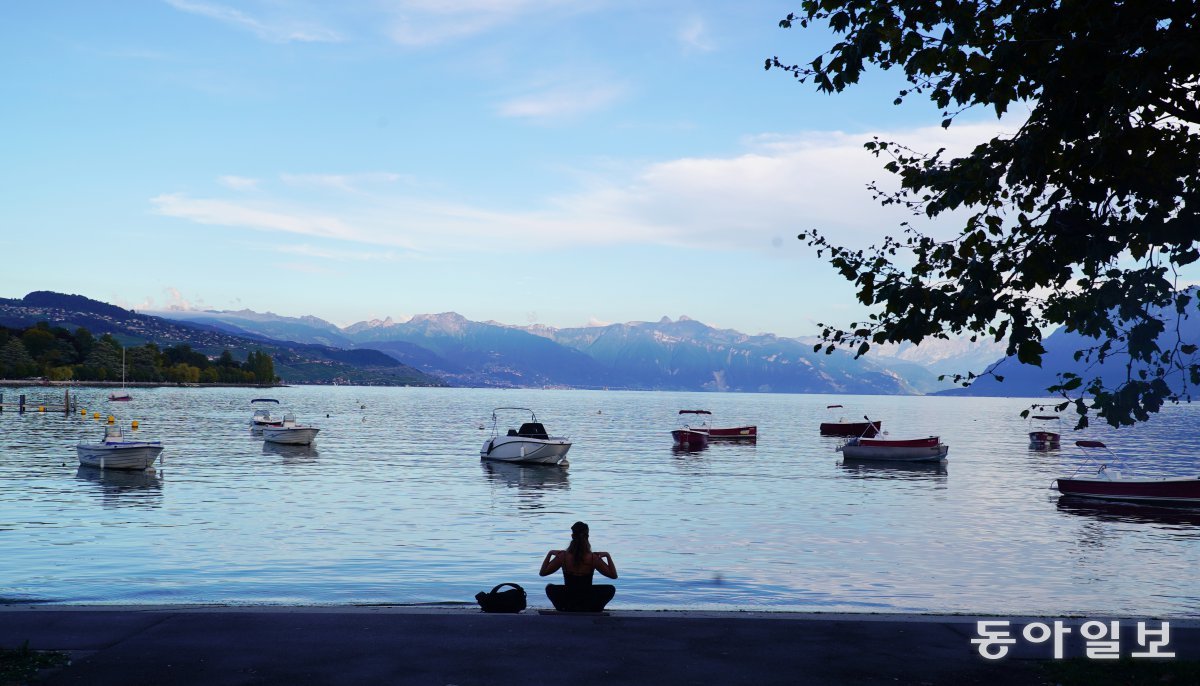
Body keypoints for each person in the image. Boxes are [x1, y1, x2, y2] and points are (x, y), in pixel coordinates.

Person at [539, 521, 617, 612]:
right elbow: (613, 575)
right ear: (587, 536)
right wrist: (607, 556)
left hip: (568, 599)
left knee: (549, 588)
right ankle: (595, 608)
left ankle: (563, 607)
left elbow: (542, 573)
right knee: (610, 589)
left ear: (572, 536)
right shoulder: (593, 558)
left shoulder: (563, 556)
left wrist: (550, 553)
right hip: (587, 599)